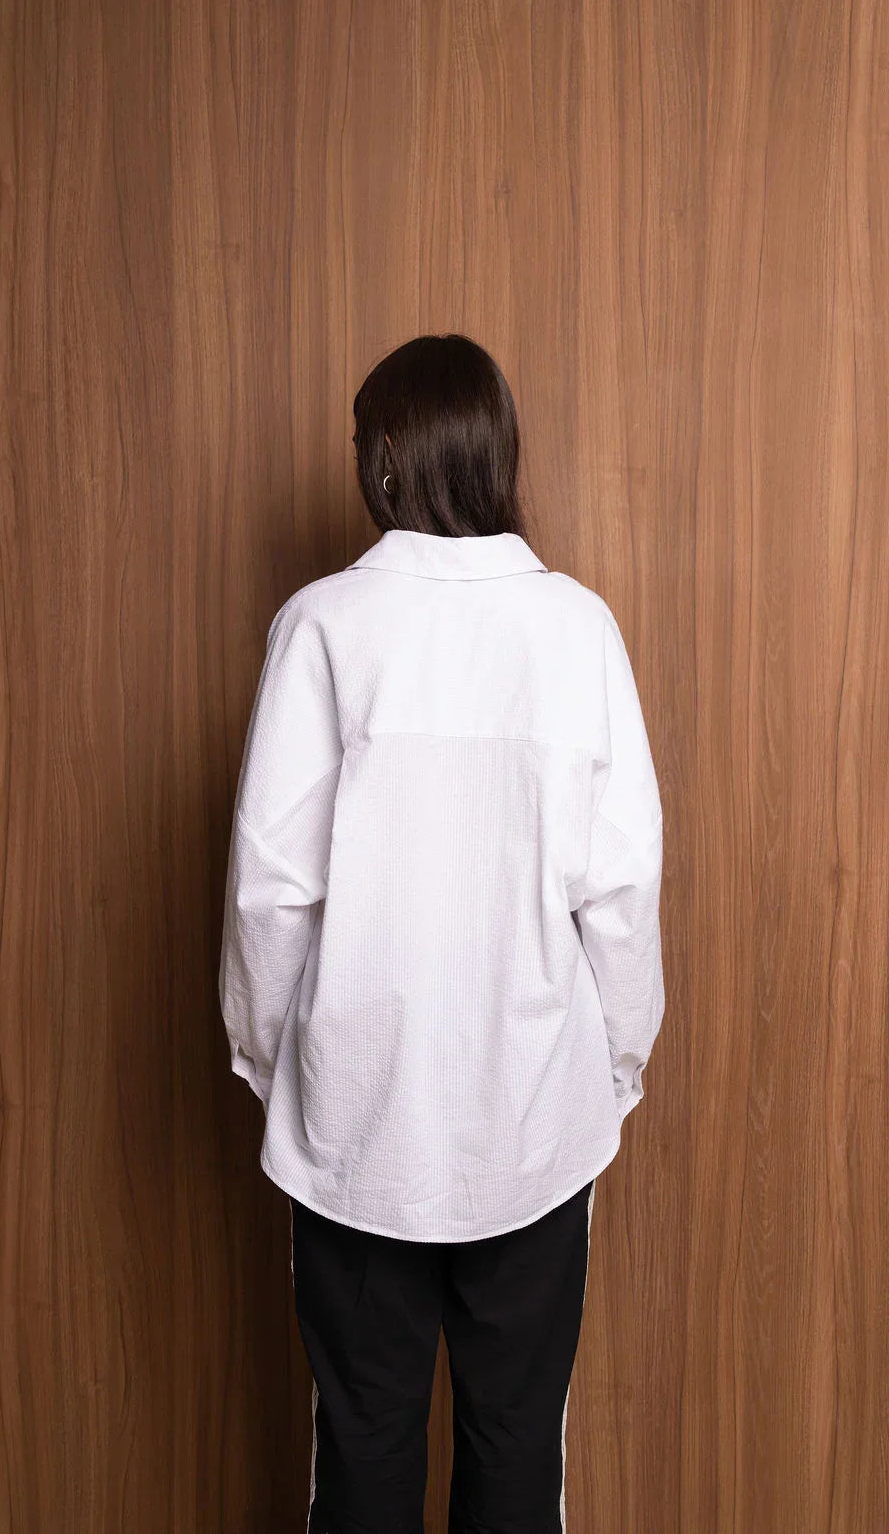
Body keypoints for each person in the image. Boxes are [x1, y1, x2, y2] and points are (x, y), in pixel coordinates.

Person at [218, 333, 665, 1534]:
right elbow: (622, 892)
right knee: (516, 1450)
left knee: (361, 1446)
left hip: (358, 1119)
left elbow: (270, 893)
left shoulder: (323, 626)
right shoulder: (576, 629)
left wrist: (277, 1066)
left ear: (381, 461)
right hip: (533, 1116)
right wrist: (612, 1067)